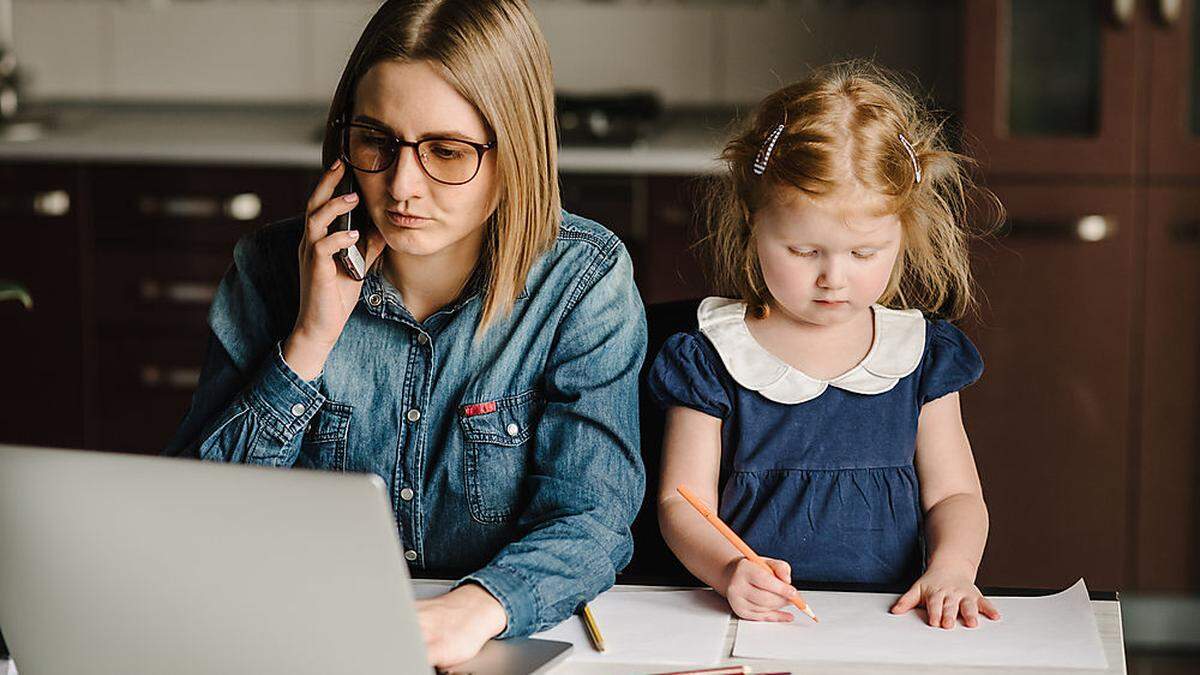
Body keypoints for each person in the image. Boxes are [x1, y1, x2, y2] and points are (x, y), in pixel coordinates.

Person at [165, 1, 646, 667]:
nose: (401, 186)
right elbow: (194, 521)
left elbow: (591, 516)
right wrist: (310, 337)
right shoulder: (269, 271)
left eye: (447, 151)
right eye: (376, 142)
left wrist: (470, 610)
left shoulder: (583, 279)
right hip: (299, 640)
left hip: (488, 640)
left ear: (518, 152)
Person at [650, 62, 1003, 630]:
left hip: (891, 623)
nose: (833, 278)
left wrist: (953, 568)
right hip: (752, 620)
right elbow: (681, 504)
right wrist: (729, 571)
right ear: (751, 221)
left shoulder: (919, 354)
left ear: (903, 233)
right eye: (803, 251)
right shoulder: (712, 356)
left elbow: (955, 495)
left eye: (863, 253)